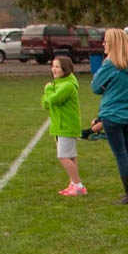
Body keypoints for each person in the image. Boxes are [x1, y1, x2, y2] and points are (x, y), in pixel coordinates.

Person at [92, 28, 128, 204]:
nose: (103, 44)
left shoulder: (110, 65)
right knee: (127, 152)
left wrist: (107, 87)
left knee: (121, 155)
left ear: (113, 44)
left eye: (106, 41)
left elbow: (95, 86)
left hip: (112, 114)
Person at [41, 56, 84, 196]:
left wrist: (48, 89)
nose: (54, 69)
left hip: (67, 125)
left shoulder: (68, 85)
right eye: (53, 66)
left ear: (65, 69)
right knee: (70, 156)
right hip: (59, 125)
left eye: (57, 67)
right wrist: (49, 94)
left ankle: (78, 185)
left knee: (63, 156)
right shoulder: (58, 84)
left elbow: (54, 99)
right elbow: (46, 104)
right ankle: (74, 183)